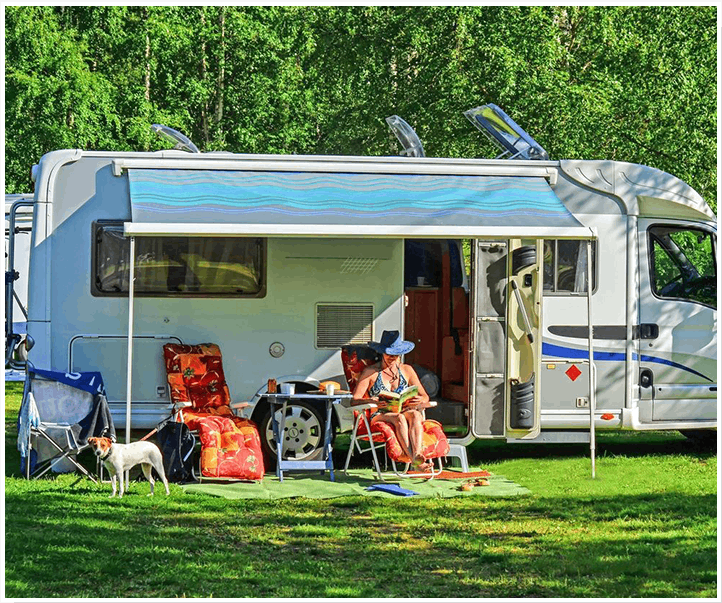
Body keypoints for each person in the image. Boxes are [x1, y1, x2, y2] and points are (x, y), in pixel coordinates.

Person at [351, 330, 433, 471]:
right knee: (400, 418)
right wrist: (372, 401)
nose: (392, 358)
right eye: (389, 354)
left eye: (396, 355)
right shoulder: (370, 372)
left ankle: (417, 454)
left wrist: (419, 400)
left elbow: (425, 396)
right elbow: (354, 400)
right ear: (382, 353)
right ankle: (416, 461)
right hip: (380, 414)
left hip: (403, 409)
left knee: (416, 415)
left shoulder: (407, 370)